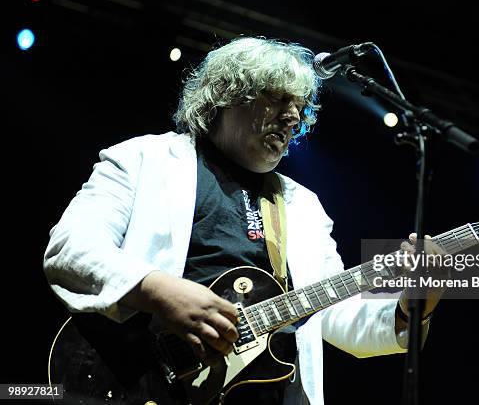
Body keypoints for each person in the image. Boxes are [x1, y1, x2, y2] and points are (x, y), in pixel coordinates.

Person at [43, 37, 443, 405]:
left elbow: (332, 315)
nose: (292, 117)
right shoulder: (143, 160)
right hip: (140, 380)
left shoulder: (302, 205)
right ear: (227, 96)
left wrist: (408, 310)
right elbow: (71, 250)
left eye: (299, 108)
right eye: (277, 99)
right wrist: (159, 291)